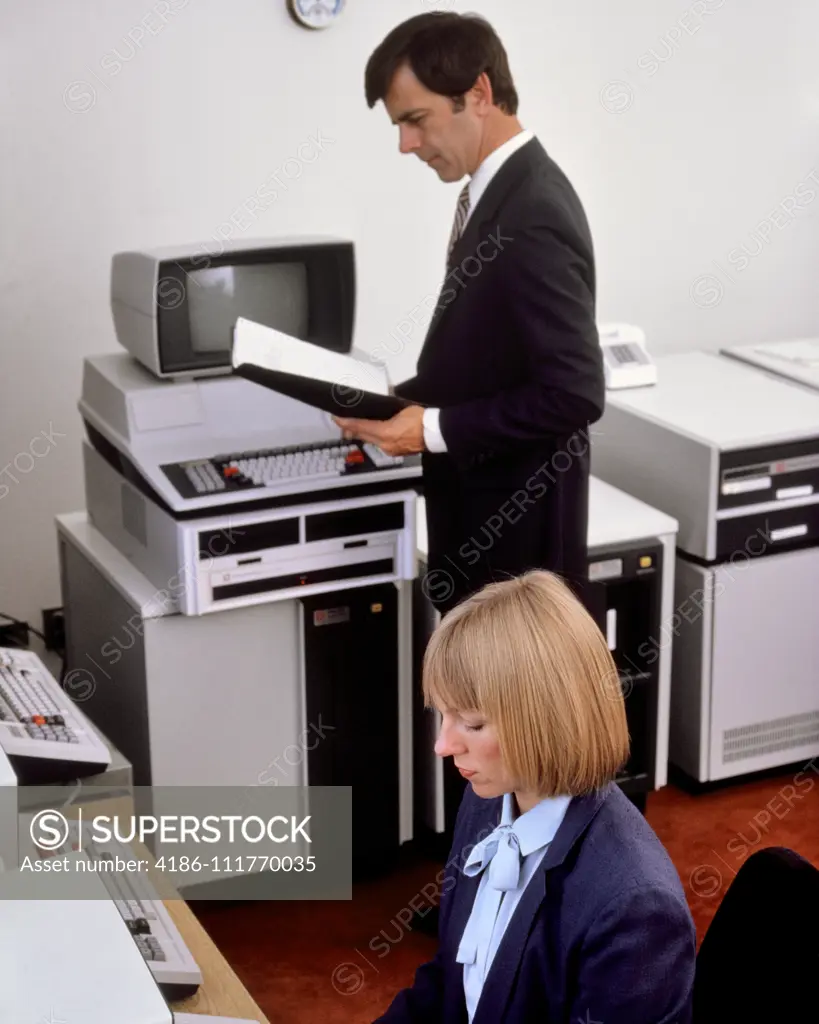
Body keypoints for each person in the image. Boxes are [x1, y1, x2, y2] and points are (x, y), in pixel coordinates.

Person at [334, 11, 604, 622]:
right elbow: (488, 355)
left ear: (478, 93)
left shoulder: (532, 211)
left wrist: (429, 429)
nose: (406, 144)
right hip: (483, 528)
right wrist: (389, 404)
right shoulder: (495, 193)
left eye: (414, 119)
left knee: (510, 716)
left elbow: (574, 393)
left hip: (519, 551)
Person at [373, 571, 696, 1024]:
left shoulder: (636, 912)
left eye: (472, 723)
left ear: (543, 719)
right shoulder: (487, 798)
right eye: (442, 715)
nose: (442, 746)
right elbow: (448, 981)